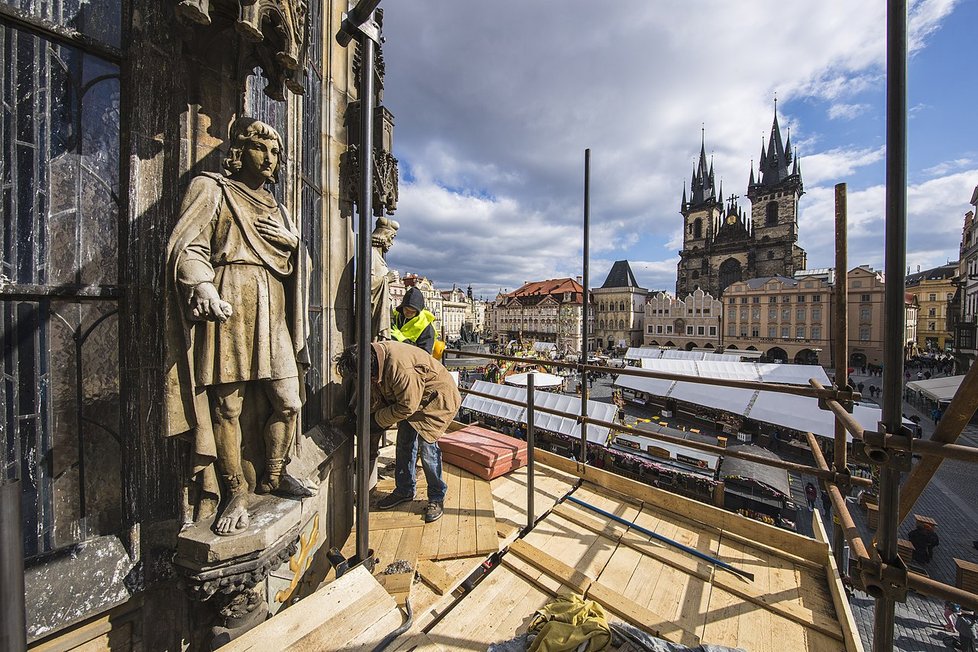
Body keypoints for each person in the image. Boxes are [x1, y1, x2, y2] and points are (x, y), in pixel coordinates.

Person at [165, 117, 311, 536]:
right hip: (229, 300)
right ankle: (235, 491)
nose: (270, 159)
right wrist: (202, 284)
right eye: (261, 149)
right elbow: (187, 246)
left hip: (272, 308)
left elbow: (298, 263)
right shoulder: (212, 188)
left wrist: (296, 244)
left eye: (276, 153)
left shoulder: (278, 208)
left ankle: (275, 472)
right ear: (238, 152)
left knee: (290, 401)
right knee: (228, 407)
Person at [335, 340, 461, 523]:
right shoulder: (373, 356)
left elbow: (406, 407)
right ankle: (404, 490)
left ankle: (436, 496)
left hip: (436, 400)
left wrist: (375, 420)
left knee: (427, 449)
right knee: (404, 443)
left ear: (369, 368)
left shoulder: (401, 369)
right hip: (416, 396)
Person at [391, 286, 437, 354]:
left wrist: (402, 340)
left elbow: (424, 354)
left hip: (413, 361)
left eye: (412, 311)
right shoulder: (395, 314)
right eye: (406, 309)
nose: (408, 313)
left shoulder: (426, 325)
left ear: (418, 311)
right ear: (402, 307)